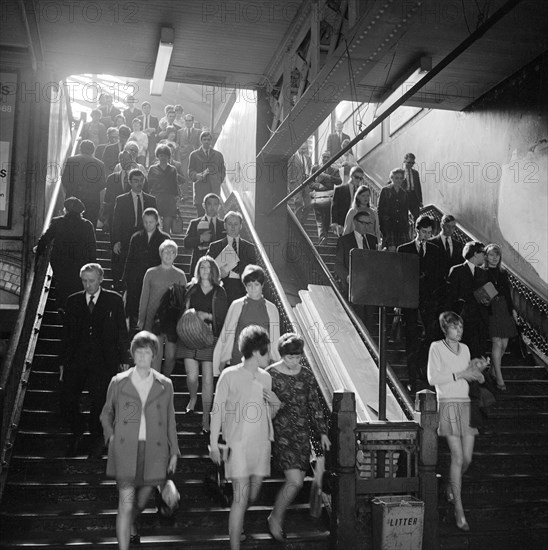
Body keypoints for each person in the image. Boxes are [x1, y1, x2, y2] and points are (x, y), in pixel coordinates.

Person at [100, 331, 179, 550]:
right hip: (126, 449)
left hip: (155, 451)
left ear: (154, 355)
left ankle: (132, 522)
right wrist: (111, 436)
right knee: (125, 506)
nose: (143, 356)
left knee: (142, 503)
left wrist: (174, 452)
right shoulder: (118, 382)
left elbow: (170, 419)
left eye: (147, 352)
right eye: (139, 352)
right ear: (133, 354)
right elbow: (106, 413)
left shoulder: (165, 384)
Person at [209, 325, 281, 550]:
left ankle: (236, 520)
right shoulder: (229, 375)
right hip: (237, 444)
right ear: (257, 351)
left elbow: (266, 414)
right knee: (241, 498)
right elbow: (217, 409)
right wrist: (213, 443)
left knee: (253, 494)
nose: (269, 356)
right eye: (267, 351)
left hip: (261, 444)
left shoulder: (267, 378)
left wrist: (276, 405)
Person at [60, 263, 130, 458]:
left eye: (91, 281)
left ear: (100, 279)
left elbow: (121, 332)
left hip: (103, 360)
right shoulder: (73, 301)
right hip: (77, 359)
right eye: (84, 281)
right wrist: (63, 362)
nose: (87, 285)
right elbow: (66, 334)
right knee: (67, 399)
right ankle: (78, 429)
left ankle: (95, 438)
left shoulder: (114, 300)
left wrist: (125, 357)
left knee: (100, 401)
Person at [266, 333, 331, 541]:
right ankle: (275, 518)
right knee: (294, 481)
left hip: (302, 435)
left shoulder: (307, 375)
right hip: (280, 433)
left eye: (297, 357)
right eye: (289, 357)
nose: (294, 362)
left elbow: (314, 405)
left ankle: (276, 516)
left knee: (298, 481)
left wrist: (322, 432)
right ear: (281, 355)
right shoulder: (270, 375)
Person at [427, 311, 487, 532]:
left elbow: (470, 375)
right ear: (445, 328)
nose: (459, 330)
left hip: (465, 403)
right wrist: (461, 374)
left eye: (461, 326)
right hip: (448, 404)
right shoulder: (436, 347)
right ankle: (459, 509)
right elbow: (433, 379)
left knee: (468, 459)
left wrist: (478, 372)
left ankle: (451, 486)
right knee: (458, 456)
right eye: (454, 327)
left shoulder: (466, 350)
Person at [178, 256, 228, 433]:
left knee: (207, 379)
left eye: (208, 268)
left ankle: (206, 415)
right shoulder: (191, 289)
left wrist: (206, 316)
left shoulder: (219, 292)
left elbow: (222, 319)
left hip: (209, 338)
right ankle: (193, 397)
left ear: (213, 271)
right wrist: (192, 314)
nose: (205, 271)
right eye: (202, 267)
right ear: (198, 270)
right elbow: (182, 311)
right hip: (190, 336)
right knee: (191, 376)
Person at [397, 215, 445, 393]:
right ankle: (412, 378)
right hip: (409, 301)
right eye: (424, 232)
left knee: (431, 336)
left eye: (429, 233)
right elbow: (399, 277)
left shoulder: (435, 249)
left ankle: (422, 369)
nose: (426, 236)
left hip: (429, 301)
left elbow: (439, 276)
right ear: (416, 230)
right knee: (411, 338)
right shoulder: (404, 249)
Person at [213, 264, 280, 374]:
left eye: (256, 284)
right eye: (249, 285)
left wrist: (275, 362)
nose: (253, 288)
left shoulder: (271, 309)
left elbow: (274, 338)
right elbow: (227, 334)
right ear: (245, 286)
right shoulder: (237, 305)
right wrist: (222, 359)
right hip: (239, 358)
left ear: (262, 285)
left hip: (262, 360)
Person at [35, 197, 96, 312]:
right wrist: (93, 265)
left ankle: (61, 307)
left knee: (61, 284)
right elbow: (92, 247)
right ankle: (76, 310)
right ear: (81, 211)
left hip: (60, 263)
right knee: (78, 286)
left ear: (66, 210)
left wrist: (38, 249)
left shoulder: (58, 222)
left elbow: (46, 238)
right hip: (80, 263)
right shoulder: (87, 225)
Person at [138, 240, 187, 376]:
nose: (169, 254)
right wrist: (142, 319)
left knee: (171, 357)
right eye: (166, 251)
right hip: (154, 320)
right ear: (161, 253)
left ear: (175, 255)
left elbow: (183, 301)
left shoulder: (180, 275)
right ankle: (156, 388)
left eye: (172, 252)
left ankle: (165, 381)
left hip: (172, 322)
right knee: (156, 356)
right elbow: (144, 297)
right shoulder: (151, 273)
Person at [123, 208, 170, 329]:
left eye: (151, 222)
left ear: (157, 221)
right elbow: (130, 259)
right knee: (135, 307)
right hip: (136, 278)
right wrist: (126, 279)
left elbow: (167, 260)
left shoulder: (165, 238)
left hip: (156, 278)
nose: (148, 225)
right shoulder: (136, 237)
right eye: (146, 222)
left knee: (153, 308)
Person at [111, 169, 156, 291]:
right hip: (126, 237)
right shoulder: (121, 199)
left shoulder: (151, 200)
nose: (139, 183)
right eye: (136, 181)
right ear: (130, 182)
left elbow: (155, 222)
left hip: (145, 236)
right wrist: (116, 241)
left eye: (141, 180)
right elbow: (116, 222)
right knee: (125, 264)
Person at [334, 211, 378, 333]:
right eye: (363, 223)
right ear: (355, 222)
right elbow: (338, 265)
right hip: (352, 287)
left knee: (369, 321)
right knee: (356, 320)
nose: (366, 226)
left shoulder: (373, 240)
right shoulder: (344, 241)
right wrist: (347, 277)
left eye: (368, 223)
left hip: (369, 289)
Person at [446, 241, 490, 359]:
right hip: (463, 318)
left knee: (478, 353)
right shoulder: (456, 270)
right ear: (475, 253)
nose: (485, 256)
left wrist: (487, 300)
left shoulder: (483, 273)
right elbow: (451, 295)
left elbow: (487, 293)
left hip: (480, 319)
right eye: (483, 253)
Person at [483, 243, 518, 390]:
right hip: (492, 309)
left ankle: (492, 370)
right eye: (491, 254)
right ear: (486, 256)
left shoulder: (503, 272)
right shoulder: (482, 272)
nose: (494, 257)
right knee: (497, 343)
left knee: (504, 344)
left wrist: (513, 310)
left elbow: (508, 294)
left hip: (504, 309)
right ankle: (499, 377)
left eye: (497, 255)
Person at [207, 211, 257, 305]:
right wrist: (218, 273)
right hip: (222, 286)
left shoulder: (249, 247)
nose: (233, 227)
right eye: (230, 224)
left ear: (241, 226)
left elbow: (252, 270)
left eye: (236, 224)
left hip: (242, 287)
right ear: (225, 225)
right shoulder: (215, 246)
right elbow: (206, 267)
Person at [61, 139, 107, 229]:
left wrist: (72, 191)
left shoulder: (71, 160)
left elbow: (65, 179)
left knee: (71, 228)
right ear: (93, 150)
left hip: (73, 199)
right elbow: (102, 184)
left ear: (80, 149)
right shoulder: (100, 164)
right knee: (89, 228)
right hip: (92, 201)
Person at [183, 193, 226, 278]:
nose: (212, 207)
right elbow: (186, 243)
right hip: (199, 265)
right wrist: (200, 238)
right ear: (203, 205)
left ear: (219, 206)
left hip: (218, 268)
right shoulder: (195, 223)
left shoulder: (224, 225)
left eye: (215, 204)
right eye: (209, 204)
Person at [188, 131, 226, 217]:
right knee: (201, 218)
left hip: (214, 191)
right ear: (201, 140)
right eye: (204, 139)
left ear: (211, 141)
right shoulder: (194, 155)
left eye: (208, 139)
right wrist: (197, 175)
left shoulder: (218, 155)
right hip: (200, 190)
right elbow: (190, 171)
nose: (206, 141)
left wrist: (217, 180)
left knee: (213, 218)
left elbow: (222, 170)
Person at [310, 150, 341, 245]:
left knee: (326, 218)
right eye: (324, 157)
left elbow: (339, 181)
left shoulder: (334, 170)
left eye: (328, 157)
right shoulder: (315, 168)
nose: (326, 159)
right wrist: (318, 186)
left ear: (331, 158)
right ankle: (322, 237)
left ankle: (324, 236)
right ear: (321, 158)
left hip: (328, 198)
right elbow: (310, 183)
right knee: (319, 219)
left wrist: (327, 176)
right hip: (317, 197)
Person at [147, 144, 179, 235]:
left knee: (167, 227)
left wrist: (176, 198)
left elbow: (175, 185)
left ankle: (166, 245)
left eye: (165, 155)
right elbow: (149, 185)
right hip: (156, 198)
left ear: (168, 156)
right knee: (154, 225)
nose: (163, 157)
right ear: (158, 156)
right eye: (161, 155)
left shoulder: (173, 169)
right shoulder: (152, 169)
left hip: (169, 199)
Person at [377, 167, 411, 251]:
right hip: (389, 226)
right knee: (391, 251)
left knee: (402, 251)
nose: (398, 180)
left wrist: (406, 226)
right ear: (391, 178)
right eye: (396, 178)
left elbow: (405, 212)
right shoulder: (385, 190)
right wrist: (381, 226)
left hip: (401, 227)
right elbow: (380, 209)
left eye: (400, 178)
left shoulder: (404, 193)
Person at [331, 166, 366, 236]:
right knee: (344, 244)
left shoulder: (362, 191)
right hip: (343, 222)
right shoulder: (340, 189)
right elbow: (334, 207)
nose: (358, 180)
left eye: (361, 178)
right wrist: (334, 223)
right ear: (351, 176)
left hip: (357, 223)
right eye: (356, 177)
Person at [430, 214, 464, 280]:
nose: (450, 230)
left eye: (453, 227)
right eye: (448, 226)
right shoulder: (431, 242)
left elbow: (460, 264)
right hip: (436, 282)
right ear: (441, 225)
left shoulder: (458, 244)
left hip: (453, 283)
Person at [287, 142, 312, 223]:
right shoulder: (292, 158)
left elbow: (310, 170)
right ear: (298, 148)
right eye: (302, 149)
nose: (303, 150)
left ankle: (301, 222)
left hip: (306, 184)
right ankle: (296, 223)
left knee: (309, 205)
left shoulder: (308, 158)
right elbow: (288, 172)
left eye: (305, 149)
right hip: (296, 184)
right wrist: (289, 185)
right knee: (299, 203)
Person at [137, 102, 160, 166]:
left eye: (148, 108)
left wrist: (153, 129)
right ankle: (141, 166)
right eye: (144, 108)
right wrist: (144, 131)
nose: (146, 109)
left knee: (152, 154)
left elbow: (157, 129)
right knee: (141, 154)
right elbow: (137, 129)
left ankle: (151, 167)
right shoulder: (139, 118)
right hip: (142, 139)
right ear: (142, 109)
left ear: (150, 109)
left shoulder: (154, 118)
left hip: (151, 139)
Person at [402, 153, 423, 220]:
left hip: (414, 196)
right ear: (404, 161)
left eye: (412, 163)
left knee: (417, 217)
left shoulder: (415, 173)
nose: (411, 164)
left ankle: (416, 230)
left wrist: (420, 201)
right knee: (403, 216)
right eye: (409, 162)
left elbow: (418, 188)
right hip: (404, 196)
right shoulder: (400, 172)